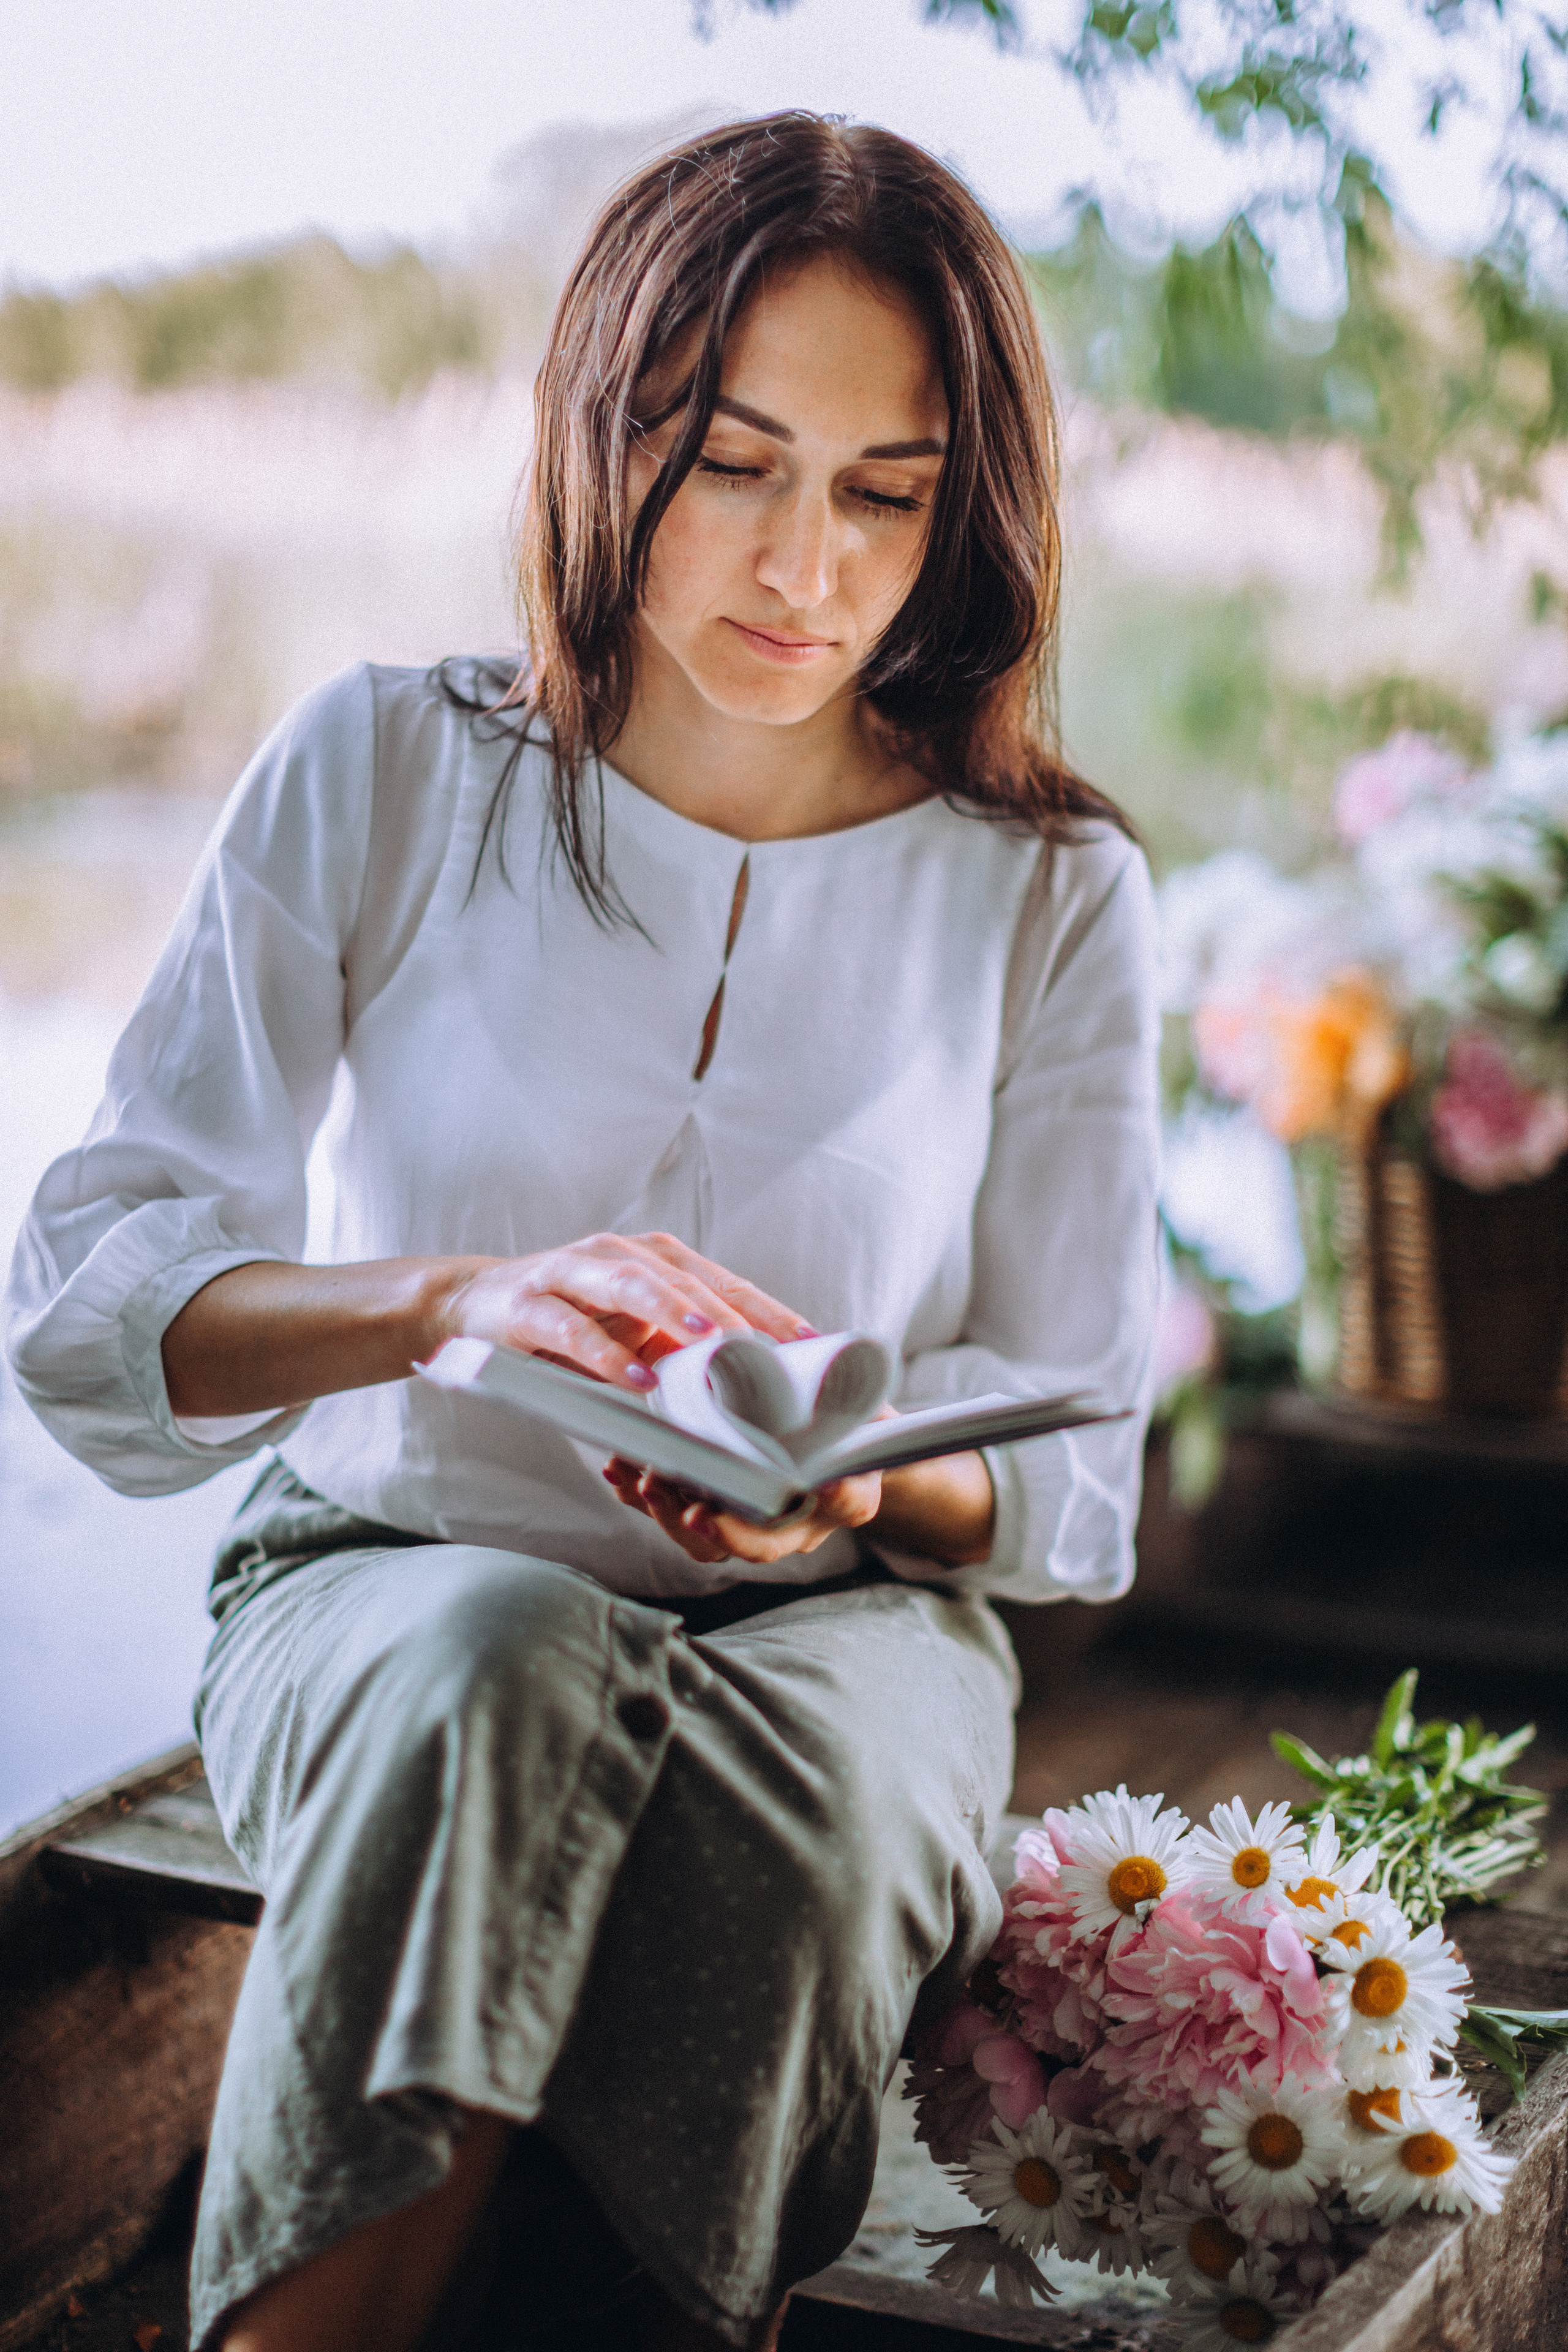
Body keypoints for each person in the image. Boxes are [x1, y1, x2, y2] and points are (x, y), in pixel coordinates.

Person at [5, 113, 1159, 2352]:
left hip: (850, 1635)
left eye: (883, 493)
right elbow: (86, 1301)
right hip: (389, 1575)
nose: (802, 565)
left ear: (965, 518)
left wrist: (847, 1488)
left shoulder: (1046, 896)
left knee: (808, 1817)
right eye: (733, 461)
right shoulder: (387, 767)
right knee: (494, 1661)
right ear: (602, 432)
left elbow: (1077, 1479)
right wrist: (451, 1306)